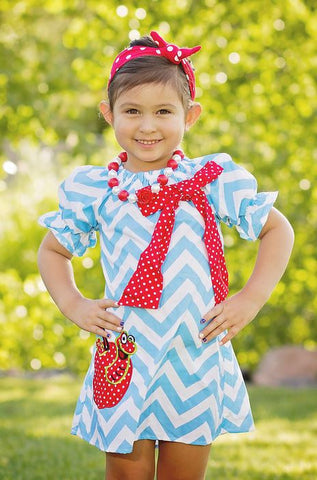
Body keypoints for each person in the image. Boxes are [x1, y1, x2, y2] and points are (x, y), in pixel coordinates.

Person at [38, 30, 294, 480]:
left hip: (192, 356)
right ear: (108, 114)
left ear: (189, 115)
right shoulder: (97, 189)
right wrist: (73, 303)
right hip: (125, 353)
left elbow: (277, 229)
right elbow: (53, 248)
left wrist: (250, 299)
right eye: (132, 111)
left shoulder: (210, 178)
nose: (147, 125)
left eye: (163, 111)